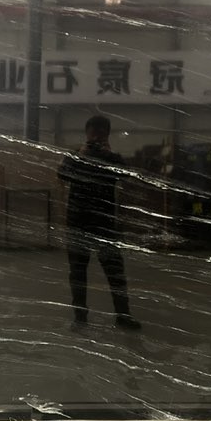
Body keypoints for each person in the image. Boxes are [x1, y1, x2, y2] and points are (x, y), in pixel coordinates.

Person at [58, 115, 141, 331]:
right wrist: (82, 154)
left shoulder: (111, 158)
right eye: (93, 133)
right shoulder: (76, 155)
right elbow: (62, 174)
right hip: (78, 223)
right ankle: (80, 318)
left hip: (104, 223)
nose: (96, 137)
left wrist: (109, 155)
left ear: (107, 136)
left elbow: (126, 174)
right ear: (87, 134)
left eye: (101, 134)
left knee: (115, 272)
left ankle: (123, 316)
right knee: (78, 273)